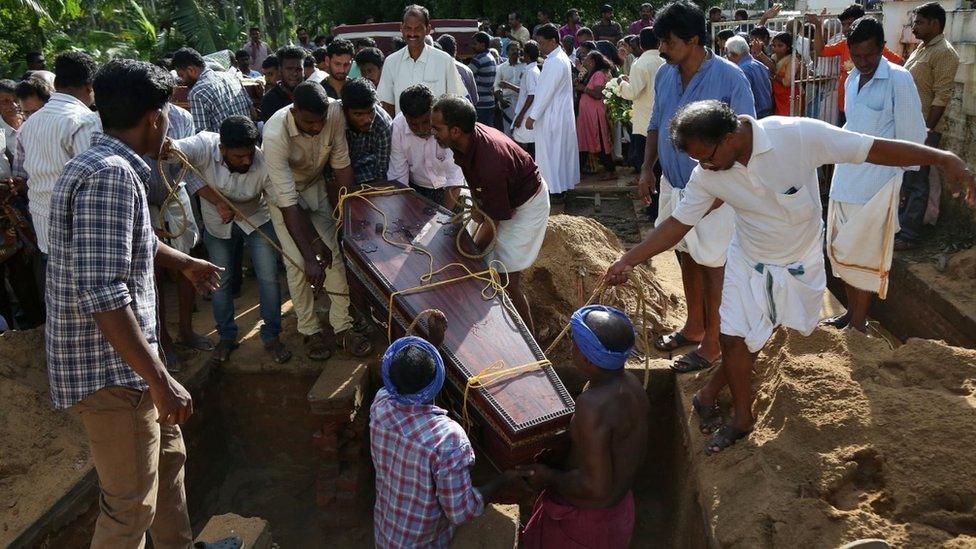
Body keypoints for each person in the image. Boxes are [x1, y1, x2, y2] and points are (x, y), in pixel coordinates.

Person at [605, 100, 974, 454]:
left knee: (766, 340)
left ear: (732, 135)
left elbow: (871, 149)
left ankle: (708, 392)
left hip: (800, 263)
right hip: (748, 260)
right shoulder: (707, 175)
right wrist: (629, 260)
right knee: (732, 336)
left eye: (708, 157)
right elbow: (677, 224)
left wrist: (942, 157)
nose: (704, 167)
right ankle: (742, 418)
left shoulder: (795, 136)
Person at [46, 58, 222, 549]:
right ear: (153, 118)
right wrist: (160, 380)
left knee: (167, 469)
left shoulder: (102, 164)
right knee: (128, 509)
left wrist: (184, 261)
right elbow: (103, 294)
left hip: (130, 367)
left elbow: (136, 240)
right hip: (113, 374)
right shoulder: (111, 176)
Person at [638, 0, 756, 374]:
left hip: (716, 189)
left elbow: (747, 137)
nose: (662, 49)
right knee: (685, 252)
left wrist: (724, 192)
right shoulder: (664, 74)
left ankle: (715, 343)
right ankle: (694, 326)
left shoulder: (731, 78)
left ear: (692, 40)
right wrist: (646, 169)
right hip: (674, 184)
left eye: (668, 42)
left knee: (715, 263)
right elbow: (656, 124)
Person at [370, 319, 516, 548]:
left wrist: (432, 346)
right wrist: (502, 482)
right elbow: (461, 512)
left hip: (386, 536)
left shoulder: (380, 406)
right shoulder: (448, 440)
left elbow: (405, 386)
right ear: (438, 380)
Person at [822, 17, 926, 333]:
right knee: (843, 252)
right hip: (846, 181)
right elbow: (853, 127)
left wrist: (905, 182)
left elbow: (912, 137)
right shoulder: (852, 79)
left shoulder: (899, 79)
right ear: (849, 52)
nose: (864, 62)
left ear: (882, 48)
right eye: (857, 55)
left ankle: (858, 322)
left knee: (865, 257)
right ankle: (852, 313)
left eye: (870, 55)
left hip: (877, 187)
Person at [164, 115, 291, 364]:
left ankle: (272, 335)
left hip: (256, 219)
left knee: (268, 277)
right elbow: (177, 155)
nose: (246, 161)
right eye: (238, 157)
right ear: (222, 149)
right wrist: (219, 202)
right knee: (220, 280)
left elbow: (282, 201)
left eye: (249, 156)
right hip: (216, 223)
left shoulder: (264, 162)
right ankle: (226, 336)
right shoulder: (204, 144)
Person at [519, 305, 649, 548]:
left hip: (585, 523)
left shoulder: (592, 405)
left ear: (587, 358)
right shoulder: (632, 385)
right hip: (619, 513)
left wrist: (549, 477)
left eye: (575, 343)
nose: (571, 346)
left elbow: (596, 488)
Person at [262, 82, 373, 360]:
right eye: (309, 122)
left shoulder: (334, 114)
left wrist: (351, 220)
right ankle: (310, 330)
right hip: (283, 195)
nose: (316, 127)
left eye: (321, 121)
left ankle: (342, 327)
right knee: (299, 264)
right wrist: (310, 253)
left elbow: (342, 167)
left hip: (314, 186)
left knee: (334, 252)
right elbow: (289, 205)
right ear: (294, 110)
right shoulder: (275, 135)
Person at [432, 96, 550, 333]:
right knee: (485, 264)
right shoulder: (466, 139)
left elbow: (493, 222)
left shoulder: (490, 163)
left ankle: (530, 344)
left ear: (455, 131)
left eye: (437, 128)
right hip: (503, 196)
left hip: (527, 204)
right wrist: (478, 204)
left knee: (506, 279)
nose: (432, 131)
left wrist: (471, 256)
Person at [13, 51, 100, 296]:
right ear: (89, 86)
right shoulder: (82, 120)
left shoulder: (29, 125)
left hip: (47, 235)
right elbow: (92, 181)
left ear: (57, 84)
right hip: (83, 236)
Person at [145, 103, 211, 367]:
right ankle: (163, 341)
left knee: (186, 262)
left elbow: (188, 166)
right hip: (144, 197)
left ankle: (186, 330)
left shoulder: (182, 117)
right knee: (153, 272)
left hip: (175, 191)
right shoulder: (133, 119)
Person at [897, 2, 960, 250]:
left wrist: (926, 130)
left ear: (934, 23)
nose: (914, 27)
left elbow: (941, 96)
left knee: (917, 180)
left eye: (919, 22)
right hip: (909, 126)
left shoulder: (944, 52)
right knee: (907, 178)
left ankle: (910, 235)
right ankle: (903, 227)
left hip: (923, 129)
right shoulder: (921, 49)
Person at [809, 5, 903, 126]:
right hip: (845, 106)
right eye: (843, 25)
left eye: (849, 23)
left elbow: (900, 63)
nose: (846, 28)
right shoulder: (844, 44)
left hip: (868, 110)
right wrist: (817, 26)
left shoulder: (875, 48)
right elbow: (821, 51)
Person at [388, 85, 466, 209]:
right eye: (413, 124)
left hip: (452, 191)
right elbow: (398, 178)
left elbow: (455, 179)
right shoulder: (398, 127)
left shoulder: (449, 124)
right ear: (405, 117)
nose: (421, 129)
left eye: (426, 122)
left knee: (453, 226)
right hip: (417, 190)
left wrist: (445, 219)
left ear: (433, 112)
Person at [377, 5, 464, 116]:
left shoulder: (444, 60)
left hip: (436, 131)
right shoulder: (391, 62)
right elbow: (388, 104)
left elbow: (455, 100)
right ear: (401, 28)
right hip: (403, 132)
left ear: (428, 29)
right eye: (408, 28)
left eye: (418, 28)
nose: (412, 33)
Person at [527, 24, 580, 198]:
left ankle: (554, 189)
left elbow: (544, 93)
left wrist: (532, 116)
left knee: (552, 153)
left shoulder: (555, 61)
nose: (540, 47)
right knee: (557, 152)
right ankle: (559, 187)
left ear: (553, 41)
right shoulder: (557, 58)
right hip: (557, 113)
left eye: (542, 43)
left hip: (552, 115)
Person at [172, 47, 253, 133]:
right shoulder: (232, 77)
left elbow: (202, 136)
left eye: (181, 75)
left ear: (191, 70)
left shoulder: (197, 93)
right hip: (249, 143)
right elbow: (253, 113)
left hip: (224, 145)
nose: (181, 81)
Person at [618, 28, 665, 174]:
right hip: (664, 121)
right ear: (659, 42)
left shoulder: (640, 63)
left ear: (641, 45)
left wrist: (621, 83)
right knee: (662, 168)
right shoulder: (666, 60)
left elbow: (632, 93)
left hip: (645, 124)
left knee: (647, 166)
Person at [342, 78, 393, 184]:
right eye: (358, 114)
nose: (367, 120)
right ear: (345, 111)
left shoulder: (383, 126)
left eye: (370, 112)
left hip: (369, 177)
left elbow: (382, 171)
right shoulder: (335, 119)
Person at [576, 51, 615, 179]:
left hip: (595, 115)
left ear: (592, 61)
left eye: (586, 58)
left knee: (600, 142)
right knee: (584, 141)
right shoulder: (590, 74)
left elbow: (598, 94)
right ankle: (578, 170)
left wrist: (583, 88)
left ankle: (610, 170)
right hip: (587, 116)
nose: (584, 60)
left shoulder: (598, 74)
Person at [725, 35, 773, 118]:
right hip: (767, 113)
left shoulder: (741, 71)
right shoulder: (760, 65)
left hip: (753, 117)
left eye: (727, 54)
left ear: (733, 54)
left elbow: (742, 98)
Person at [260, 46, 305, 123]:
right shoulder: (270, 100)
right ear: (280, 70)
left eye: (299, 69)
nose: (294, 73)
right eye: (289, 69)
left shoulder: (310, 93)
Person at [511, 41, 541, 154]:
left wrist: (520, 115)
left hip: (526, 115)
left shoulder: (531, 72)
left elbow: (531, 95)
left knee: (520, 144)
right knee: (529, 144)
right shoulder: (531, 69)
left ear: (526, 55)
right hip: (528, 114)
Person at [437, 34, 479, 106]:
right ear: (455, 50)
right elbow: (474, 99)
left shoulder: (436, 69)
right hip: (463, 112)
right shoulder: (466, 70)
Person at [770, 32, 804, 116]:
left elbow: (787, 82)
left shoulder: (792, 60)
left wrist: (773, 76)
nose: (776, 48)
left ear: (788, 47)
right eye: (774, 46)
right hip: (777, 97)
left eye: (780, 45)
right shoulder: (773, 57)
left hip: (790, 97)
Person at [493, 41, 522, 136]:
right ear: (507, 52)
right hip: (507, 104)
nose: (515, 52)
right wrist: (501, 101)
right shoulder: (501, 68)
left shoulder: (525, 66)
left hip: (522, 103)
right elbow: (496, 87)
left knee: (521, 133)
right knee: (508, 132)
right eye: (512, 50)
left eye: (517, 49)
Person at [469, 32, 498, 126]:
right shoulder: (491, 57)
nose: (472, 46)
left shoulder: (479, 59)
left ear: (482, 45)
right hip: (489, 102)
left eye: (475, 44)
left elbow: (466, 74)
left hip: (481, 104)